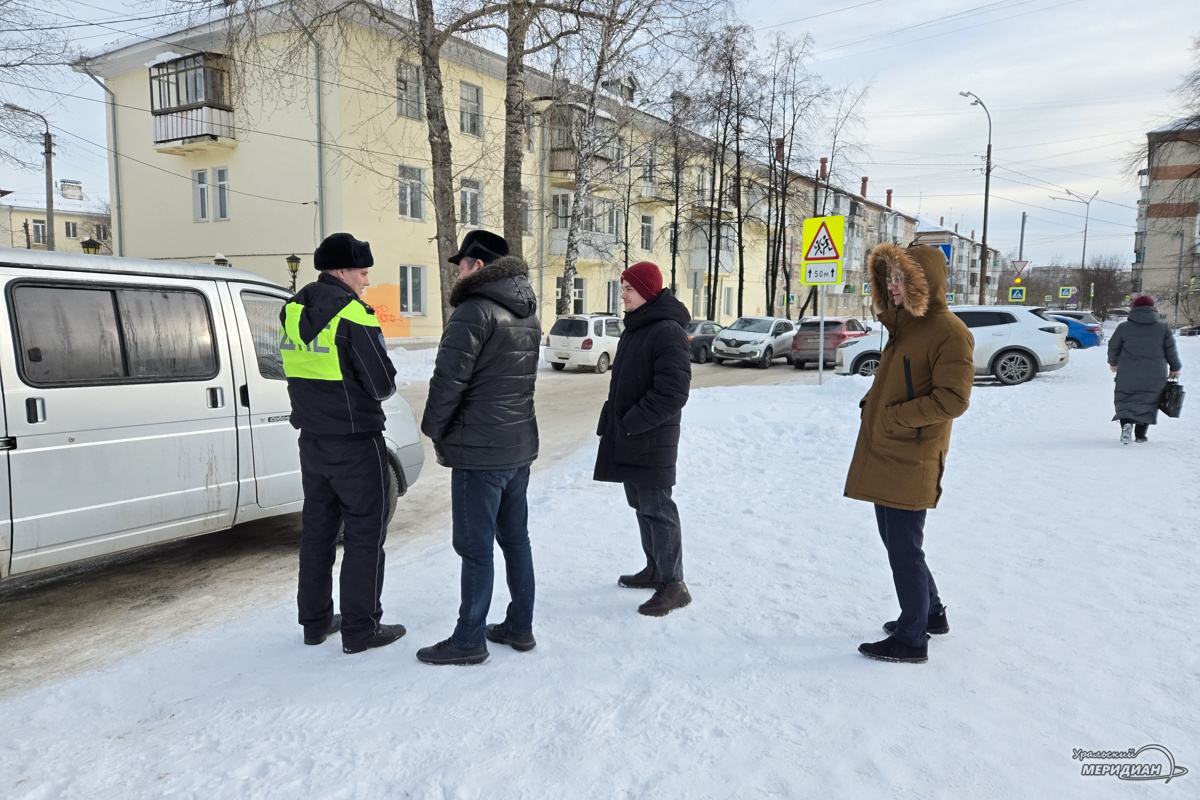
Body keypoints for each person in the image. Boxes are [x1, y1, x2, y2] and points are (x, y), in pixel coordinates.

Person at [844, 243, 975, 664]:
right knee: (896, 540)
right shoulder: (905, 326)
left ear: (924, 283)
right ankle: (931, 613)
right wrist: (875, 406)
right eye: (890, 279)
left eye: (901, 279)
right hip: (888, 450)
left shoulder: (949, 331)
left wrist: (893, 418)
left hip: (912, 455)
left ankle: (912, 636)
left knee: (903, 547)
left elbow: (953, 399)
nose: (893, 287)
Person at [417, 230, 541, 666]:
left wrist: (433, 428)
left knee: (475, 548)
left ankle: (469, 638)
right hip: (517, 446)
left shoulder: (474, 310)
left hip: (480, 451)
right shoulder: (526, 311)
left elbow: (448, 380)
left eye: (463, 264)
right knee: (516, 540)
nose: (458, 271)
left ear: (480, 267)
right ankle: (520, 626)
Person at [281, 232, 404, 655]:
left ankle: (315, 623)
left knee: (317, 532)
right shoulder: (355, 315)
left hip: (312, 441)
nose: (366, 281)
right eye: (362, 272)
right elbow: (382, 384)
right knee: (365, 534)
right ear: (341, 271)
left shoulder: (292, 311)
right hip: (355, 441)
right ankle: (361, 628)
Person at [594, 261, 693, 617]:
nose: (622, 295)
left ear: (648, 292)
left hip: (651, 438)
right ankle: (655, 569)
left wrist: (633, 422)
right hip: (632, 435)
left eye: (628, 289)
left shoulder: (666, 330)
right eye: (622, 287)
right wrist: (614, 420)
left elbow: (674, 391)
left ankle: (674, 584)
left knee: (658, 509)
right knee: (641, 505)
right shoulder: (638, 327)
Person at [1108, 295, 1182, 445]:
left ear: (1134, 309)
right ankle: (1141, 435)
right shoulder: (1163, 327)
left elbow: (1113, 346)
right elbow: (1171, 350)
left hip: (1128, 372)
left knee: (1125, 399)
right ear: (1153, 308)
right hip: (1155, 374)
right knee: (1149, 401)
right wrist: (1175, 367)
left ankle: (1127, 424)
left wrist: (1113, 362)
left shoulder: (1124, 327)